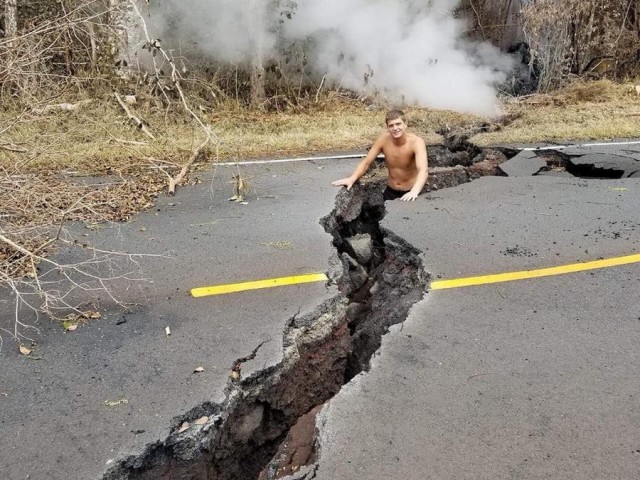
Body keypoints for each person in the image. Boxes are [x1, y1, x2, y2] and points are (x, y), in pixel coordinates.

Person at [332, 109, 428, 201]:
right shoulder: (383, 140)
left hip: (410, 192)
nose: (395, 128)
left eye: (398, 124)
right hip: (390, 192)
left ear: (405, 124)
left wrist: (414, 191)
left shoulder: (416, 142)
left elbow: (423, 169)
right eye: (391, 125)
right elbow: (366, 162)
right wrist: (352, 178)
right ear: (387, 127)